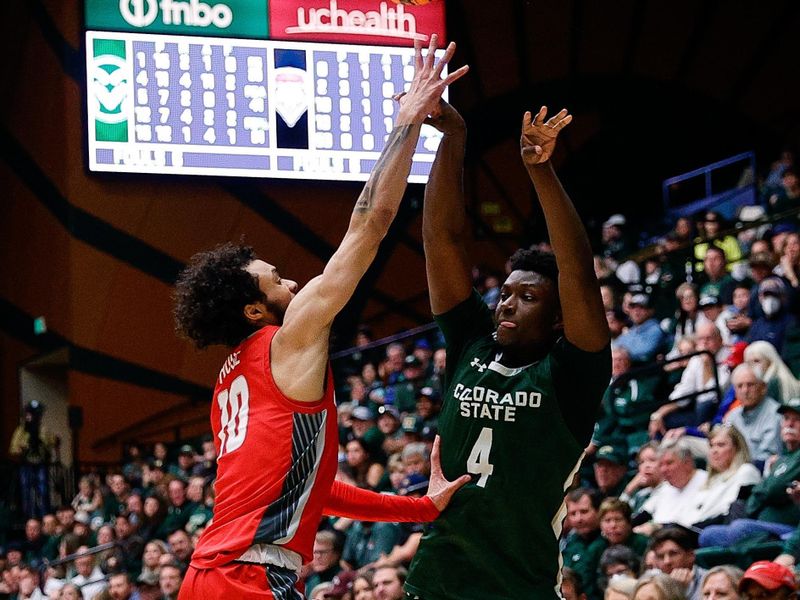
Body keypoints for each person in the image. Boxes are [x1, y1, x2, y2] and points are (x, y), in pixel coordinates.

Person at [172, 36, 470, 599]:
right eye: (276, 280)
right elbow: (369, 223)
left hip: (212, 575)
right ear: (255, 309)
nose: (292, 282)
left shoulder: (227, 384)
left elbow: (319, 490)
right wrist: (405, 124)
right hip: (247, 577)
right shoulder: (288, 341)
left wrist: (421, 507)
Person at [404, 101, 610, 599]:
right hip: (435, 580)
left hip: (520, 585)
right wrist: (451, 137)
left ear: (559, 316)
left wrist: (539, 171)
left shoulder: (571, 372)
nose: (507, 305)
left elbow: (578, 270)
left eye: (529, 297)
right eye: (506, 294)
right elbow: (443, 242)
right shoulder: (472, 343)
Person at [688, 424, 761, 527]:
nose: (714, 451)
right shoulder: (709, 479)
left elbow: (732, 513)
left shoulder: (746, 471)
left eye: (721, 445)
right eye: (711, 446)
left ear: (737, 448)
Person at [722, 364, 782, 468]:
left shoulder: (776, 413)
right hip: (733, 469)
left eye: (750, 385)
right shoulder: (731, 416)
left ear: (763, 387)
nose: (745, 391)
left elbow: (766, 458)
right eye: (740, 386)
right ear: (735, 392)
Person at [649, 527, 707, 600]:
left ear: (690, 556)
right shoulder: (652, 583)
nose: (667, 561)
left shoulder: (709, 581)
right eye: (660, 556)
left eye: (673, 554)